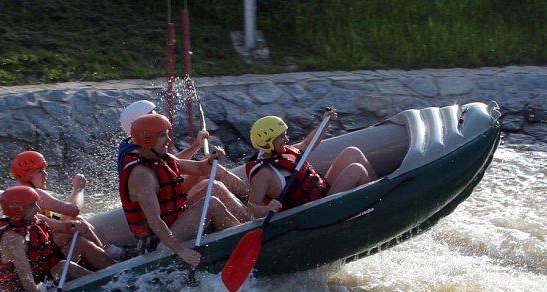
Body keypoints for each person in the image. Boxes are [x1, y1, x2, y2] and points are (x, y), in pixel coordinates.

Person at [120, 113, 248, 267]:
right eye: (162, 136)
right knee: (211, 204)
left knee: (214, 187)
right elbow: (155, 221)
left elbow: (201, 168)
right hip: (160, 243)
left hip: (176, 223)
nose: (168, 140)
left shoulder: (162, 158)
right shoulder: (142, 175)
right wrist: (182, 251)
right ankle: (245, 241)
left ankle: (249, 223)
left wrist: (212, 159)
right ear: (148, 140)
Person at [0, 186, 114, 292]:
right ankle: (110, 288)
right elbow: (25, 277)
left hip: (42, 273)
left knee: (81, 243)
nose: (38, 209)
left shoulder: (32, 219)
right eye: (33, 205)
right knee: (62, 267)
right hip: (25, 291)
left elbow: (64, 228)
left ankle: (117, 270)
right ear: (19, 210)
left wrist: (75, 225)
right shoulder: (12, 240)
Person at [245, 108, 376, 219]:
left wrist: (326, 122)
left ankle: (382, 194)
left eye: (285, 134)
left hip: (322, 194)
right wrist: (267, 209)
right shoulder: (263, 174)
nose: (286, 139)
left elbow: (307, 144)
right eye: (281, 137)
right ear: (267, 143)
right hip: (315, 213)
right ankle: (375, 209)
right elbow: (252, 207)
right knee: (356, 170)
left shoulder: (282, 152)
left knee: (352, 152)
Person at [118, 100, 250, 206]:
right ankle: (253, 204)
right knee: (214, 175)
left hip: (171, 194)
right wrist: (207, 163)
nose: (158, 118)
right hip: (170, 202)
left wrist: (197, 146)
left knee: (212, 168)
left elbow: (172, 162)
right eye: (153, 116)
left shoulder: (141, 146)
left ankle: (252, 200)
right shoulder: (140, 155)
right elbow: (170, 173)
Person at [11, 150, 124, 259]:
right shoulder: (34, 194)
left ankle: (111, 251)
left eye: (45, 170)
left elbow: (64, 217)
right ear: (26, 176)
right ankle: (112, 253)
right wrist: (78, 188)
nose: (45, 175)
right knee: (75, 220)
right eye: (39, 171)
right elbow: (74, 210)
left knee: (75, 220)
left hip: (43, 251)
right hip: (44, 256)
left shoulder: (23, 194)